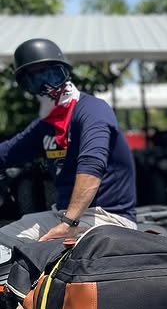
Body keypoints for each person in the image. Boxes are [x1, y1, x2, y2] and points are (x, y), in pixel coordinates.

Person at [0, 38, 137, 241]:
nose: (46, 85)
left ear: (65, 72)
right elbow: (7, 152)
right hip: (62, 215)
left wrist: (69, 223)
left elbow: (92, 166)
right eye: (35, 79)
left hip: (108, 217)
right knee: (4, 241)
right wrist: (66, 220)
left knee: (45, 252)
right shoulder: (46, 124)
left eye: (52, 73)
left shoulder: (92, 110)